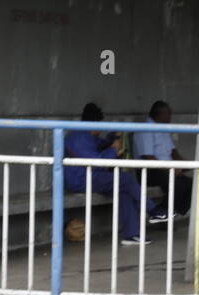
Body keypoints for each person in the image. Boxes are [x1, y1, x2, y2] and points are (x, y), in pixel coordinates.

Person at [64, 103, 166, 245]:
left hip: (93, 177)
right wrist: (113, 150)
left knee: (123, 191)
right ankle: (153, 210)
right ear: (92, 124)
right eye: (98, 127)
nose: (99, 131)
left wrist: (112, 138)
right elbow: (97, 163)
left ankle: (131, 235)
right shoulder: (78, 138)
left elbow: (98, 143)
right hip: (81, 180)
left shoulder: (86, 134)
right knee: (125, 179)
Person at [132, 100, 192, 216]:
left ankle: (173, 213)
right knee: (177, 186)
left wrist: (185, 165)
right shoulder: (145, 129)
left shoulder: (163, 128)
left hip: (166, 170)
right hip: (150, 171)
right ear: (159, 114)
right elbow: (148, 157)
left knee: (191, 185)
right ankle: (159, 214)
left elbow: (173, 152)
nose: (170, 116)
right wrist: (171, 170)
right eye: (168, 113)